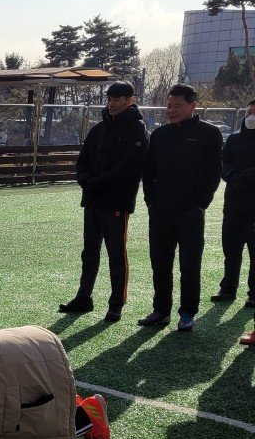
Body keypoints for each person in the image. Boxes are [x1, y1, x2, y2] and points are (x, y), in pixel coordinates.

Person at [59, 80, 147, 322]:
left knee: (116, 255)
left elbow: (129, 167)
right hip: (93, 200)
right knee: (89, 252)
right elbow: (83, 161)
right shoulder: (99, 129)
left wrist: (97, 182)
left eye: (117, 99)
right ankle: (83, 297)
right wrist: (86, 179)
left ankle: (116, 303)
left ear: (130, 100)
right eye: (109, 99)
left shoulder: (137, 130)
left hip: (116, 202)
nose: (111, 104)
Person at [137, 84, 223, 332]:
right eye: (169, 106)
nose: (171, 110)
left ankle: (187, 312)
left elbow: (213, 173)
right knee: (160, 262)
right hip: (160, 211)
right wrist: (150, 201)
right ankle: (161, 310)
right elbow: (148, 171)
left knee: (190, 264)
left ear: (192, 105)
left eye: (177, 106)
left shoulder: (209, 133)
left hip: (190, 212)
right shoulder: (159, 134)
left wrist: (201, 204)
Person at [212, 99, 255, 310]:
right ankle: (228, 288)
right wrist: (230, 174)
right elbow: (224, 160)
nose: (251, 117)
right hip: (233, 203)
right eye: (249, 113)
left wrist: (246, 175)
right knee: (231, 248)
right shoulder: (235, 139)